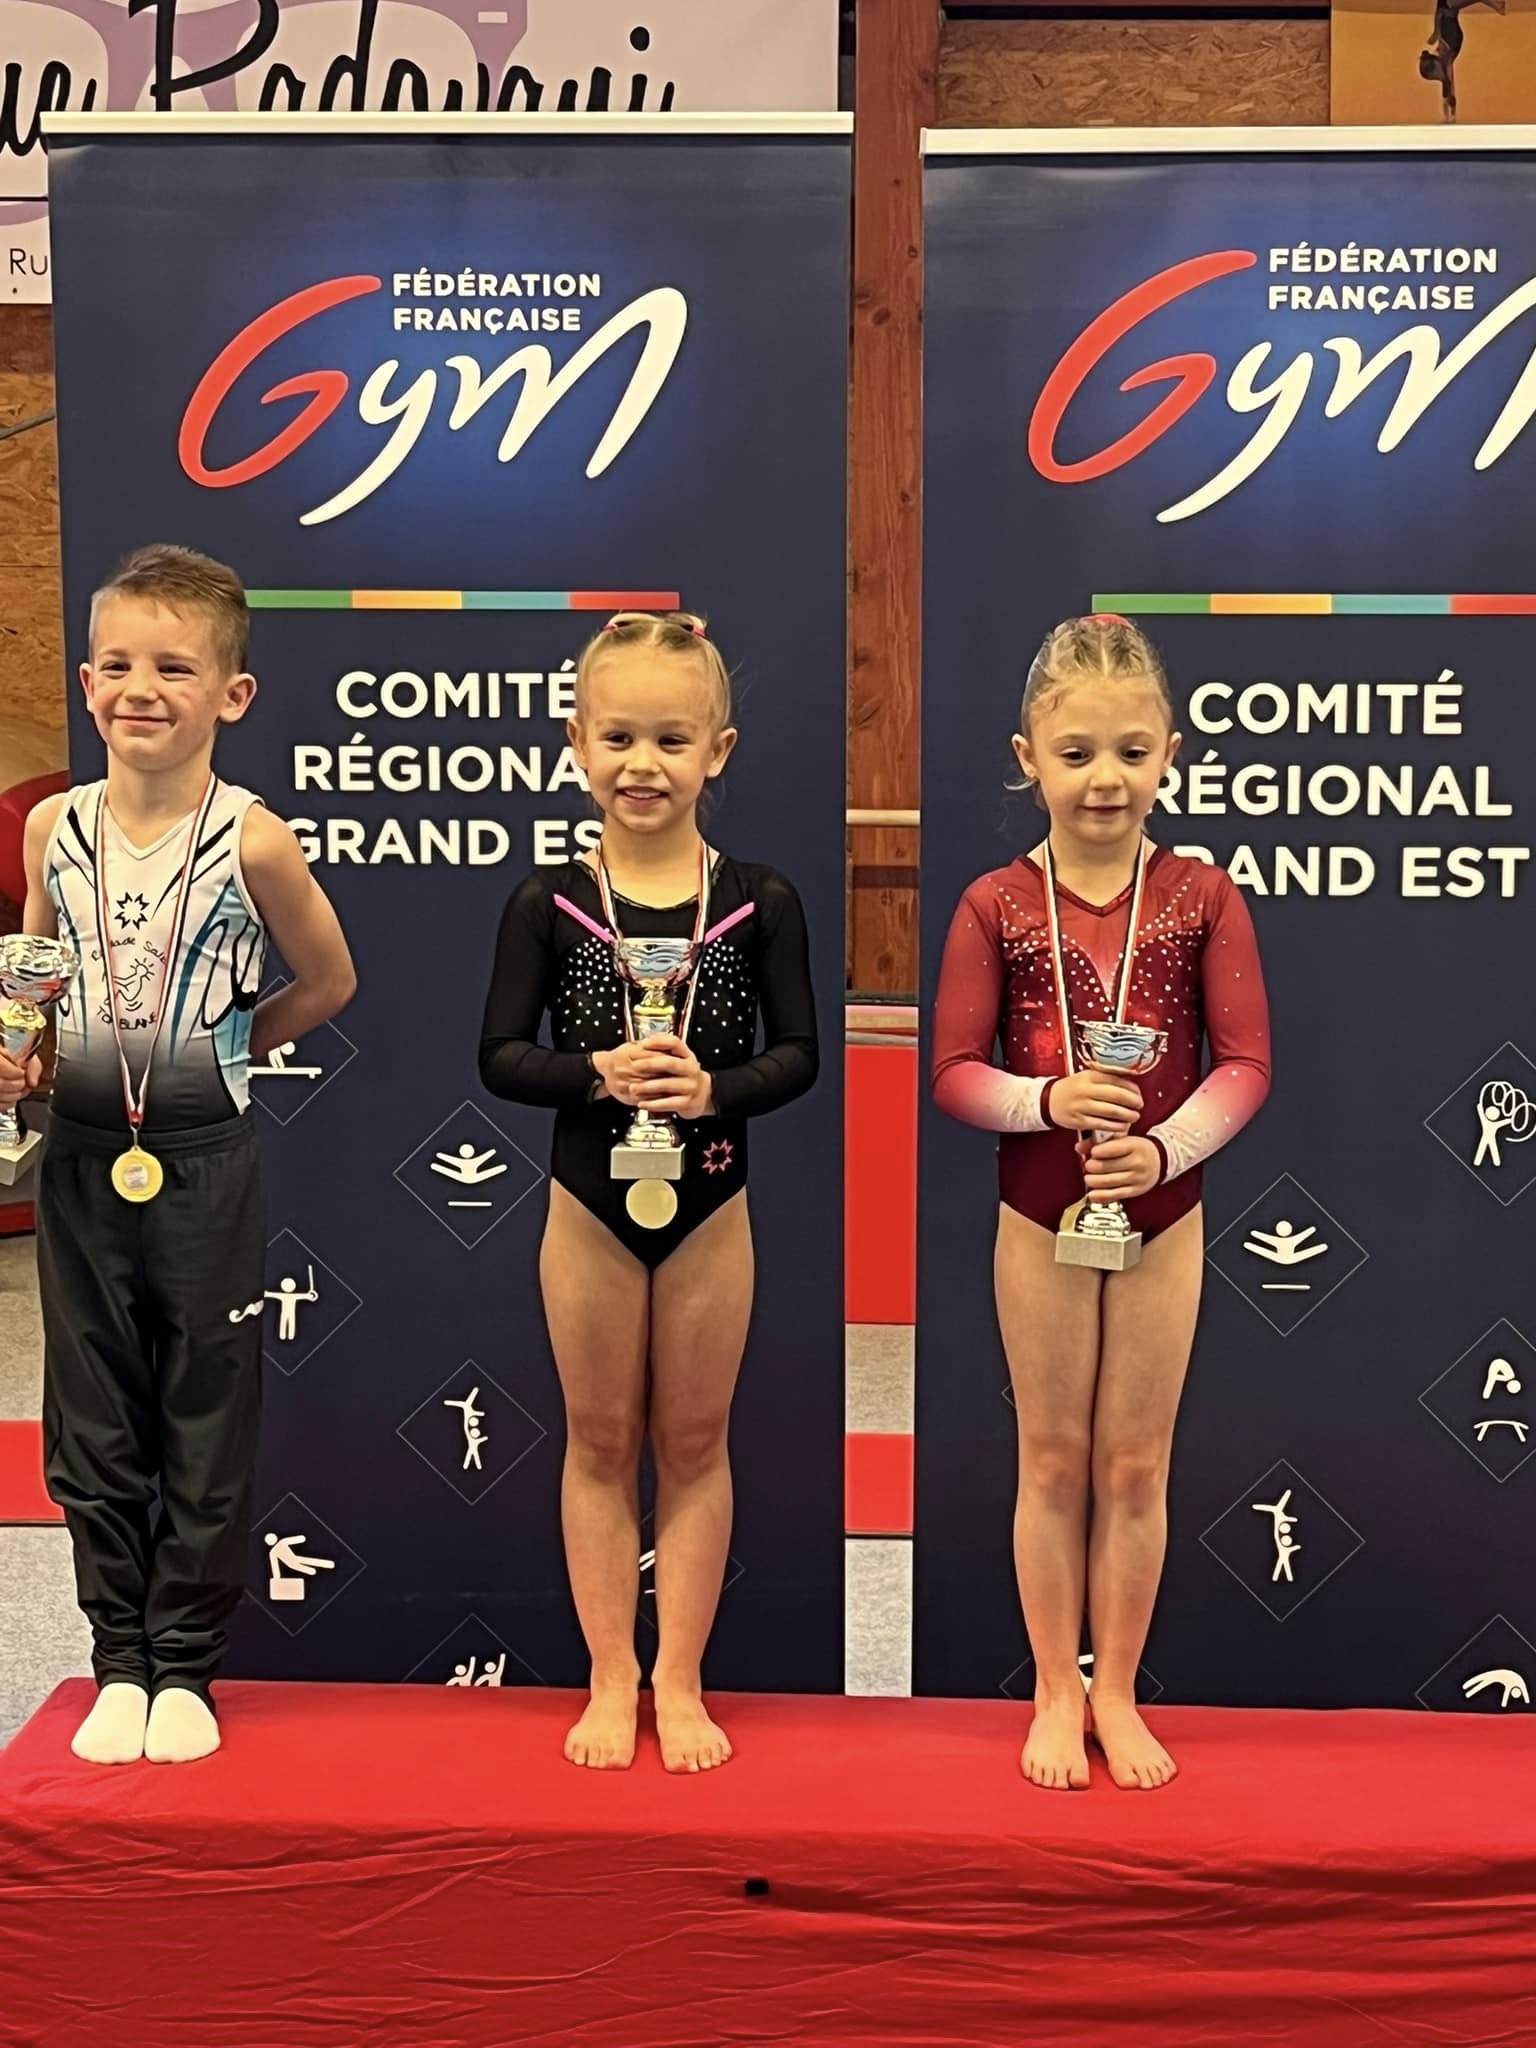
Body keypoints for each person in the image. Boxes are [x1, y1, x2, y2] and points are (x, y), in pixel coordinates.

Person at [0, 544, 355, 1765]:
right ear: (87, 682)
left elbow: (331, 977)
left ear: (231, 694)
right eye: (116, 664)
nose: (139, 688)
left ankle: (186, 1661)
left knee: (204, 1402)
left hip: (203, 1151)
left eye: (173, 666)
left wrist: (228, 1045)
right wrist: (23, 1052)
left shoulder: (255, 840)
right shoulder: (52, 827)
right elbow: (35, 977)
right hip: (82, 1151)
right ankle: (119, 1654)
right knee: (91, 1408)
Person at [932, 615, 1270, 1792]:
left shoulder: (1202, 895)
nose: (1105, 779)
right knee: (1051, 1457)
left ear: (1170, 751)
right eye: (1076, 754)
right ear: (1028, 756)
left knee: (1134, 1465)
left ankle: (1115, 1687)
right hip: (1039, 1215)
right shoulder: (995, 902)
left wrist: (1165, 1151)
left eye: (1131, 752)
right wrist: (1046, 1101)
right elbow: (953, 1070)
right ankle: (1051, 1686)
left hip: (1162, 1216)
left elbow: (1246, 1063)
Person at [480, 611, 817, 1774]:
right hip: (588, 1203)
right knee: (598, 1436)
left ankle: (678, 1672)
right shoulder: (549, 900)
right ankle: (609, 1671)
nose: (643, 763)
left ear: (717, 751)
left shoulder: (759, 899)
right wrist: (598, 1071)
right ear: (577, 742)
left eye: (672, 740)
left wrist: (713, 1087)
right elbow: (499, 1056)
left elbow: (800, 1056)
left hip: (711, 1203)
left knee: (694, 1437)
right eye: (619, 736)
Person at [1419, 0, 1505, 122]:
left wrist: (1436, 32)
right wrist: (1450, 116)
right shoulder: (1447, 64)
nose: (1438, 78)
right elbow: (1448, 90)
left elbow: (1439, 12)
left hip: (1448, 10)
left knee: (1448, 7)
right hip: (1450, 14)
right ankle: (1496, 5)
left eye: (1435, 76)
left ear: (1436, 65)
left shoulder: (1443, 54)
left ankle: (1496, 5)